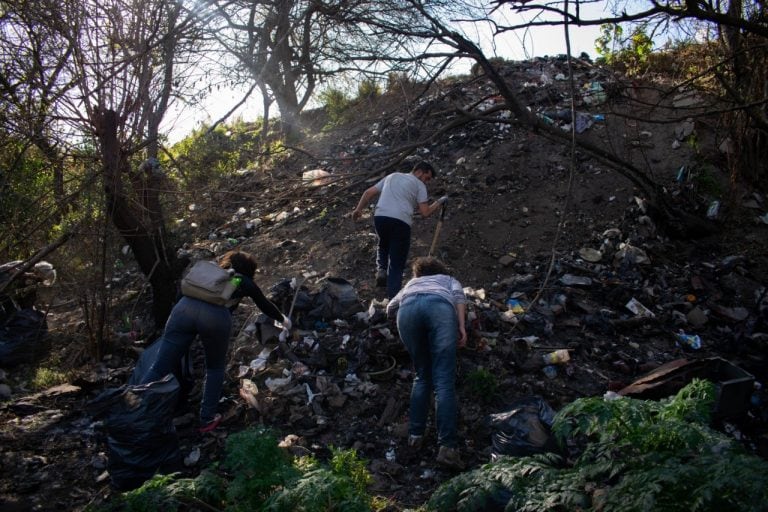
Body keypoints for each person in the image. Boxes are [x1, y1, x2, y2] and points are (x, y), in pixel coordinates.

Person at [141, 250, 291, 433]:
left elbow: (181, 294)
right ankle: (206, 418)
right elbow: (264, 304)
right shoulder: (241, 280)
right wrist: (283, 320)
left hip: (182, 310)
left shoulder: (208, 275)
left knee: (159, 365)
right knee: (214, 368)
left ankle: (133, 403)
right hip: (214, 317)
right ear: (249, 269)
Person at [386, 257, 467, 469]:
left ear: (418, 272)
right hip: (439, 309)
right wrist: (461, 327)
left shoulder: (411, 283)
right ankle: (448, 448)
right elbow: (459, 299)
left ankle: (415, 435)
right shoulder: (448, 279)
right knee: (443, 381)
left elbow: (390, 307)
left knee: (422, 375)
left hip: (408, 312)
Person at [352, 161, 448, 298]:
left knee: (383, 243)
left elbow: (368, 193)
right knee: (397, 264)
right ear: (419, 171)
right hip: (400, 222)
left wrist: (358, 209)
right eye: (427, 178)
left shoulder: (392, 176)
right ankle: (393, 300)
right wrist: (439, 202)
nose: (426, 182)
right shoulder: (419, 185)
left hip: (380, 217)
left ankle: (382, 269)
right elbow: (425, 212)